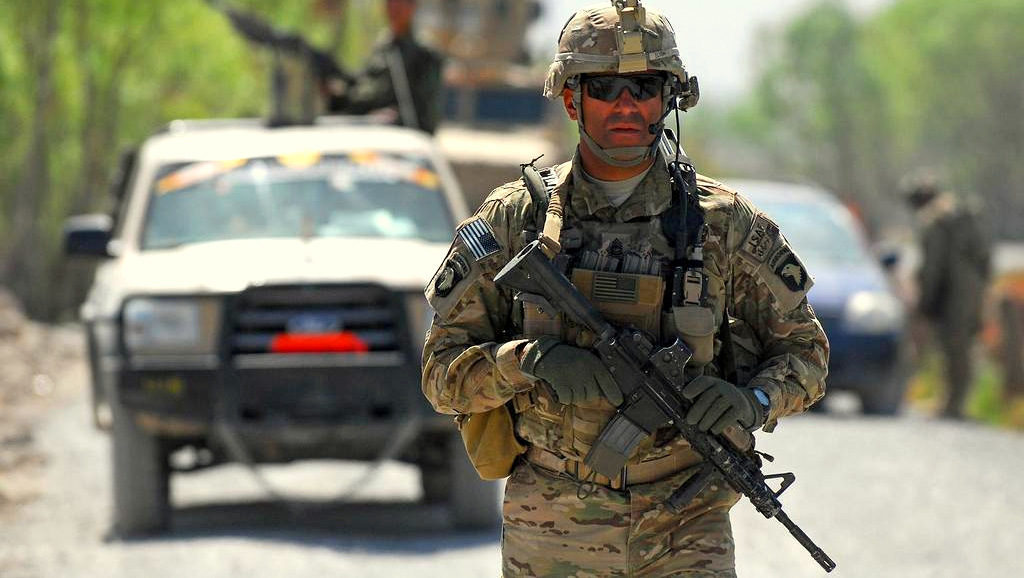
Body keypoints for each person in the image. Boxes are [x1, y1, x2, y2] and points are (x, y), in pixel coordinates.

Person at [421, 1, 829, 575]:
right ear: (571, 99)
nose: (626, 106)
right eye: (606, 88)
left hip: (687, 522)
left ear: (670, 99)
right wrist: (528, 361)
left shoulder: (723, 224)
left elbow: (806, 353)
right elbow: (442, 375)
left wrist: (752, 400)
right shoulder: (520, 221)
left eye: (644, 87)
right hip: (552, 522)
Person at [904, 175, 992, 419]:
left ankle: (955, 405)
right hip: (970, 291)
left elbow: (933, 267)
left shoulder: (935, 222)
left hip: (954, 295)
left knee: (955, 349)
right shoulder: (960, 216)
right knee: (961, 347)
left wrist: (926, 302)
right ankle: (956, 402)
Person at [322, 0, 442, 134]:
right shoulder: (383, 46)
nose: (393, 7)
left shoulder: (424, 54)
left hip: (400, 138)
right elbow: (362, 85)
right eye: (390, 2)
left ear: (412, 7)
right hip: (363, 129)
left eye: (399, 3)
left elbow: (425, 115)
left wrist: (393, 118)